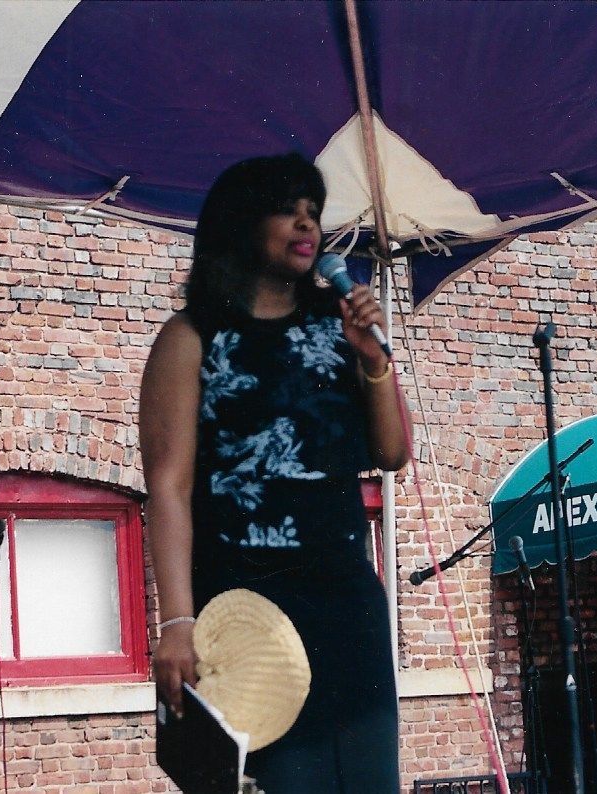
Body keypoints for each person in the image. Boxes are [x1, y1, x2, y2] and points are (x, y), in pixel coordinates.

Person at [139, 153, 409, 792]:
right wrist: (177, 624)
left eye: (313, 211)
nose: (306, 224)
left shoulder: (339, 327)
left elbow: (393, 453)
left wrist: (373, 360)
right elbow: (169, 487)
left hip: (346, 600)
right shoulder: (191, 336)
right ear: (242, 222)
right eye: (287, 210)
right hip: (249, 606)